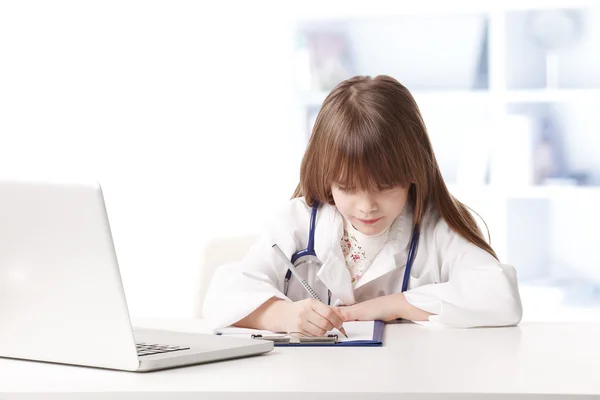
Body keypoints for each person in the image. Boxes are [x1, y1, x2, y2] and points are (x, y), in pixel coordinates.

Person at [203, 75, 522, 334]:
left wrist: (391, 305)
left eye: (384, 187)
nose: (367, 206)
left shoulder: (436, 228)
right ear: (325, 176)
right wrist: (283, 316)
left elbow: (500, 295)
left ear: (413, 171)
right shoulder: (295, 223)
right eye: (347, 187)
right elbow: (224, 295)